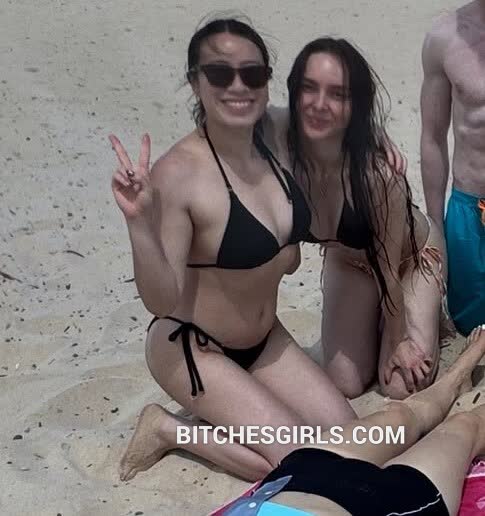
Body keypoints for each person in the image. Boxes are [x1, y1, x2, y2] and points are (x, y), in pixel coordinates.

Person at [109, 18, 357, 483]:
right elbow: (161, 299)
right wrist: (140, 223)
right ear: (195, 82)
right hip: (193, 349)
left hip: (266, 340)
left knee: (353, 439)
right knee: (302, 464)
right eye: (221, 74)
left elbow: (337, 121)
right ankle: (167, 428)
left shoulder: (277, 135)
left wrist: (379, 150)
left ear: (267, 81)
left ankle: (234, 409)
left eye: (252, 74)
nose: (238, 86)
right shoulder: (179, 175)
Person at [264, 37, 449, 400]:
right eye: (309, 88)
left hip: (408, 261)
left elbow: (388, 270)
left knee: (400, 384)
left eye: (338, 94)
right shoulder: (278, 139)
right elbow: (244, 113)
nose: (319, 104)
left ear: (355, 104)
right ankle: (369, 317)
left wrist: (398, 338)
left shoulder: (378, 175)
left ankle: (415, 312)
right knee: (345, 384)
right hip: (349, 262)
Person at [216, 324, 485, 516]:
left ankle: (456, 377)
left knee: (400, 415)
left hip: (297, 479)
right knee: (463, 427)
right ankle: (460, 386)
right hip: (391, 505)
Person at [420, 0, 485, 337]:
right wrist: (436, 229)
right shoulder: (444, 37)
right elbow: (432, 138)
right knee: (468, 325)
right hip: (468, 212)